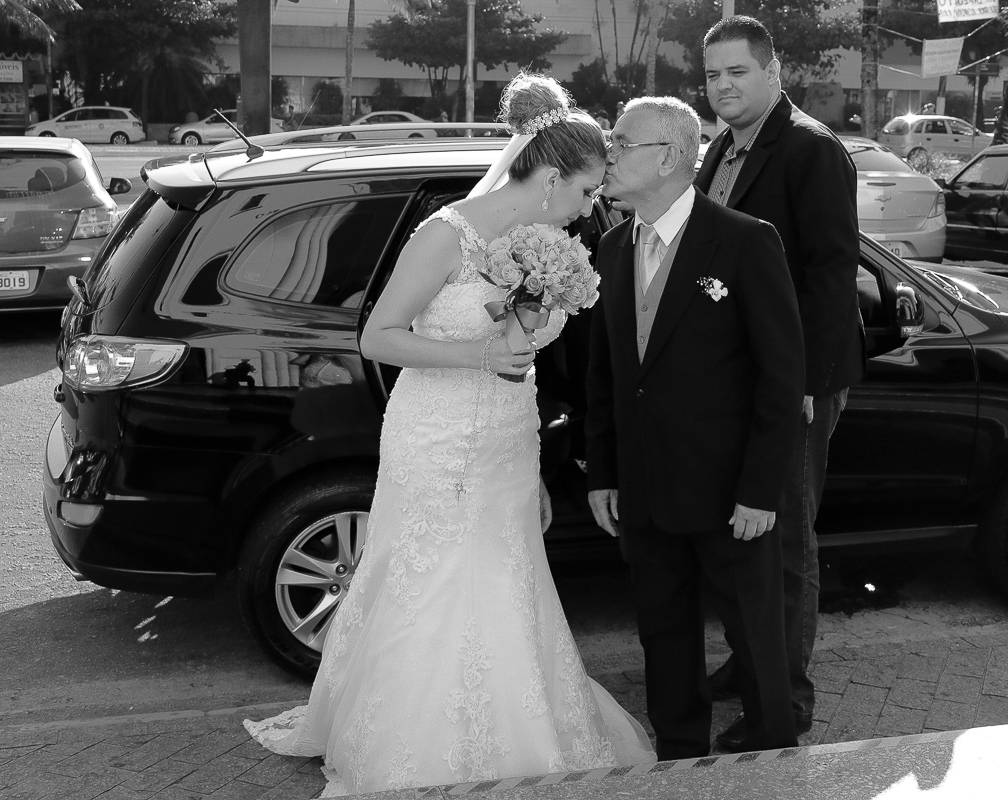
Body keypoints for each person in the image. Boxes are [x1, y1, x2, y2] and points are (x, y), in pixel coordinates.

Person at [244, 72, 654, 795]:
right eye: (588, 191)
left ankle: (511, 730)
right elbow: (378, 336)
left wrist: (532, 467)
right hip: (434, 436)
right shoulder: (446, 234)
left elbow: (524, 367)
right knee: (431, 579)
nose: (593, 206)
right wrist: (479, 356)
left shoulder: (545, 245)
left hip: (506, 438)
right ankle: (414, 746)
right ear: (551, 179)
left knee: (506, 576)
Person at [587, 96, 806, 759]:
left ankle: (774, 752)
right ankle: (679, 756)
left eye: (621, 143)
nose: (608, 155)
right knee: (663, 632)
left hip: (731, 492)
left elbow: (781, 378)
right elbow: (607, 374)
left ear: (671, 157)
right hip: (646, 487)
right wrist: (603, 473)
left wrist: (761, 491)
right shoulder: (611, 248)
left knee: (755, 635)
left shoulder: (744, 240)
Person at [693, 16, 864, 750]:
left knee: (786, 538)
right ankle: (752, 662)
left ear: (773, 72)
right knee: (744, 535)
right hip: (738, 380)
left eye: (737, 72)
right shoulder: (721, 147)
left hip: (793, 384)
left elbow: (831, 274)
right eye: (712, 75)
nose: (723, 86)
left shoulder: (811, 149)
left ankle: (786, 701)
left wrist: (806, 385)